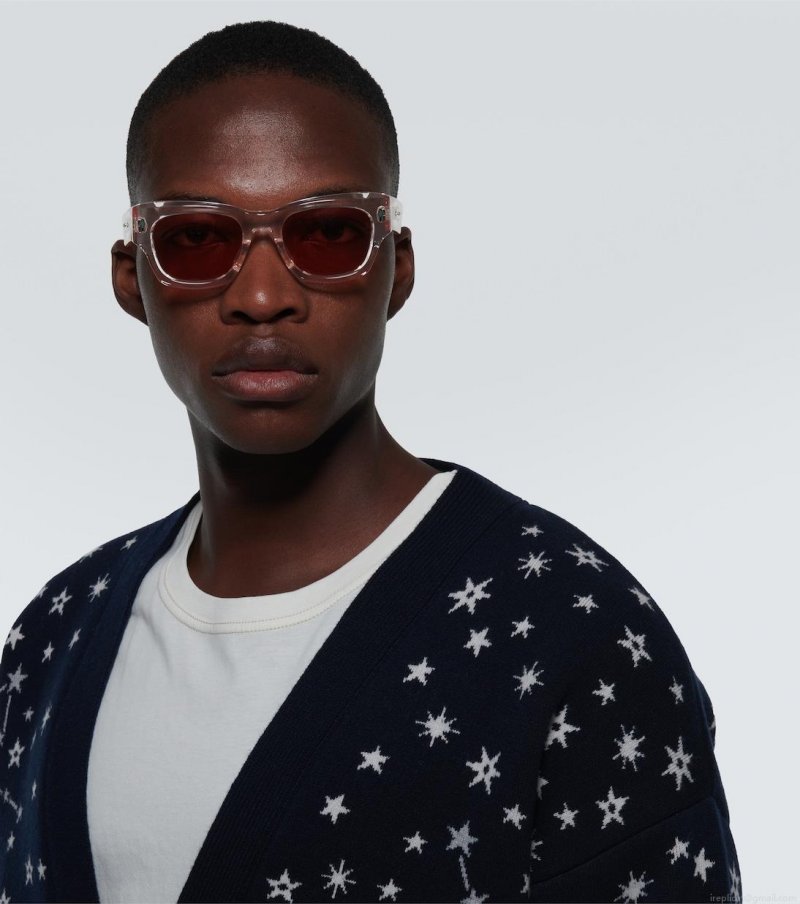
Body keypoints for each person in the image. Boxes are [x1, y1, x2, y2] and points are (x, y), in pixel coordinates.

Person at [0, 19, 742, 904]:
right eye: (197, 239)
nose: (262, 296)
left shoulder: (571, 635)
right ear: (133, 277)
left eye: (327, 234)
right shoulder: (54, 638)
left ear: (397, 267)